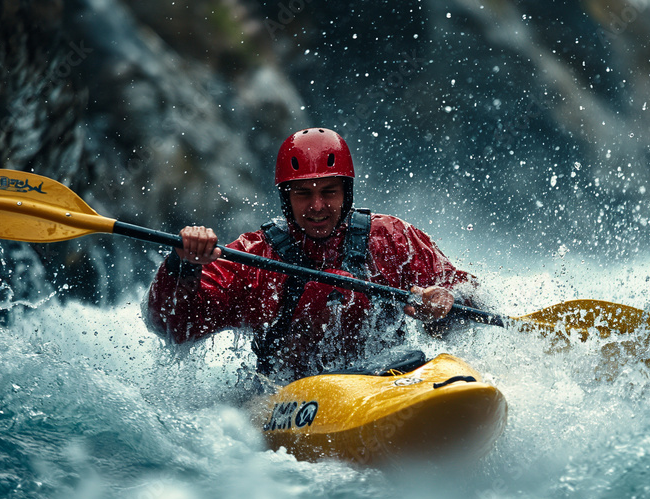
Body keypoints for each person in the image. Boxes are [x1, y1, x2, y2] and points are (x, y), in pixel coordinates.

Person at [145, 127, 480, 381]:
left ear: (346, 193)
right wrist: (182, 265)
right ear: (285, 198)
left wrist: (446, 304)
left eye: (329, 192)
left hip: (388, 379)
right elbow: (174, 327)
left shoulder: (391, 239)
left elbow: (474, 303)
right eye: (303, 194)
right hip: (284, 396)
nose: (317, 207)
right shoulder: (255, 256)